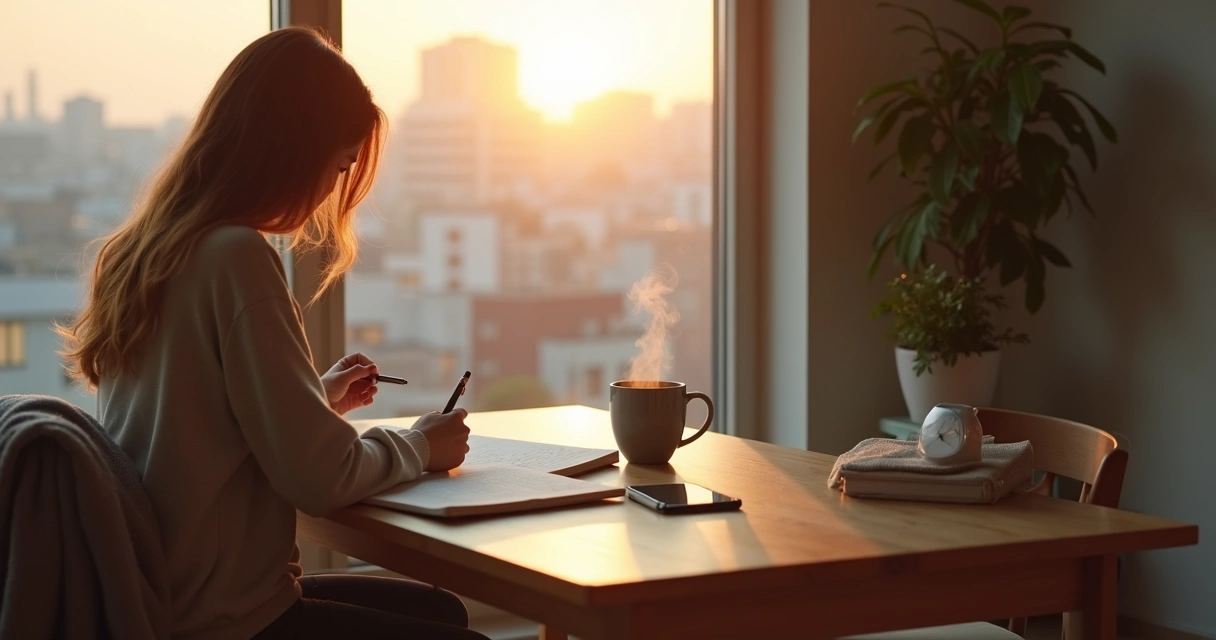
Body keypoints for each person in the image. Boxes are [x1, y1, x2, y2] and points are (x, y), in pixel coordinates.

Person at [58, 27, 485, 640]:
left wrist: (312, 396)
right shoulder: (236, 256)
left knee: (440, 613)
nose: (331, 192)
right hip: (227, 617)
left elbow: (195, 417)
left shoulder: (144, 251)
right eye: (339, 166)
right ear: (292, 153)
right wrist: (422, 446)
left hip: (162, 589)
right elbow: (317, 479)